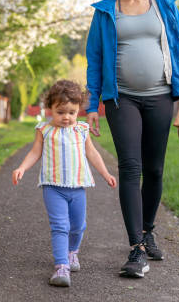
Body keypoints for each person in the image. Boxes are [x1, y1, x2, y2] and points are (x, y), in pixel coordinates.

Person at [85, 0, 179, 279]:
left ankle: (148, 230)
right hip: (120, 98)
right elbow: (95, 59)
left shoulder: (165, 7)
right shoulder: (105, 11)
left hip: (160, 97)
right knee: (130, 165)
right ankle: (136, 248)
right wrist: (91, 105)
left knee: (154, 169)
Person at [12, 79, 117, 287]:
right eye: (61, 112)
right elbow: (35, 152)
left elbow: (92, 153)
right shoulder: (44, 130)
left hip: (77, 187)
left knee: (78, 226)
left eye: (72, 112)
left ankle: (72, 253)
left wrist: (106, 174)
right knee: (60, 226)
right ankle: (61, 267)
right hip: (53, 187)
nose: (67, 117)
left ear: (78, 110)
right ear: (50, 108)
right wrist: (22, 167)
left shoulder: (82, 130)